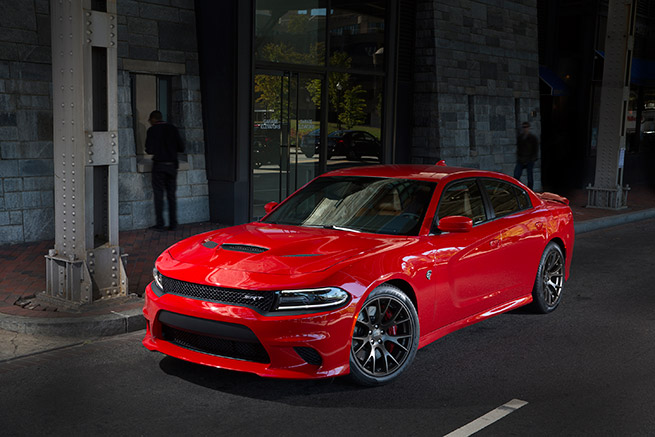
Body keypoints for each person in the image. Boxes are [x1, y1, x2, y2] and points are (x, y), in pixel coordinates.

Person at [145, 110, 184, 231]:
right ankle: (173, 223)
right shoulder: (173, 128)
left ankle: (160, 224)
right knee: (171, 195)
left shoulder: (152, 130)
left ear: (153, 119)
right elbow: (181, 148)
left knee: (159, 195)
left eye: (150, 120)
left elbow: (149, 150)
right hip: (172, 165)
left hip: (159, 165)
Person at [513, 122, 539, 190]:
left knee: (530, 177)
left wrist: (532, 159)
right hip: (521, 159)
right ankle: (518, 189)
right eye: (524, 127)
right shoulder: (520, 137)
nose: (525, 129)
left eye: (526, 127)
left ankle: (530, 190)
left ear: (529, 128)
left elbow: (535, 149)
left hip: (529, 159)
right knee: (516, 175)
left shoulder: (532, 138)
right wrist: (519, 157)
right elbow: (519, 148)